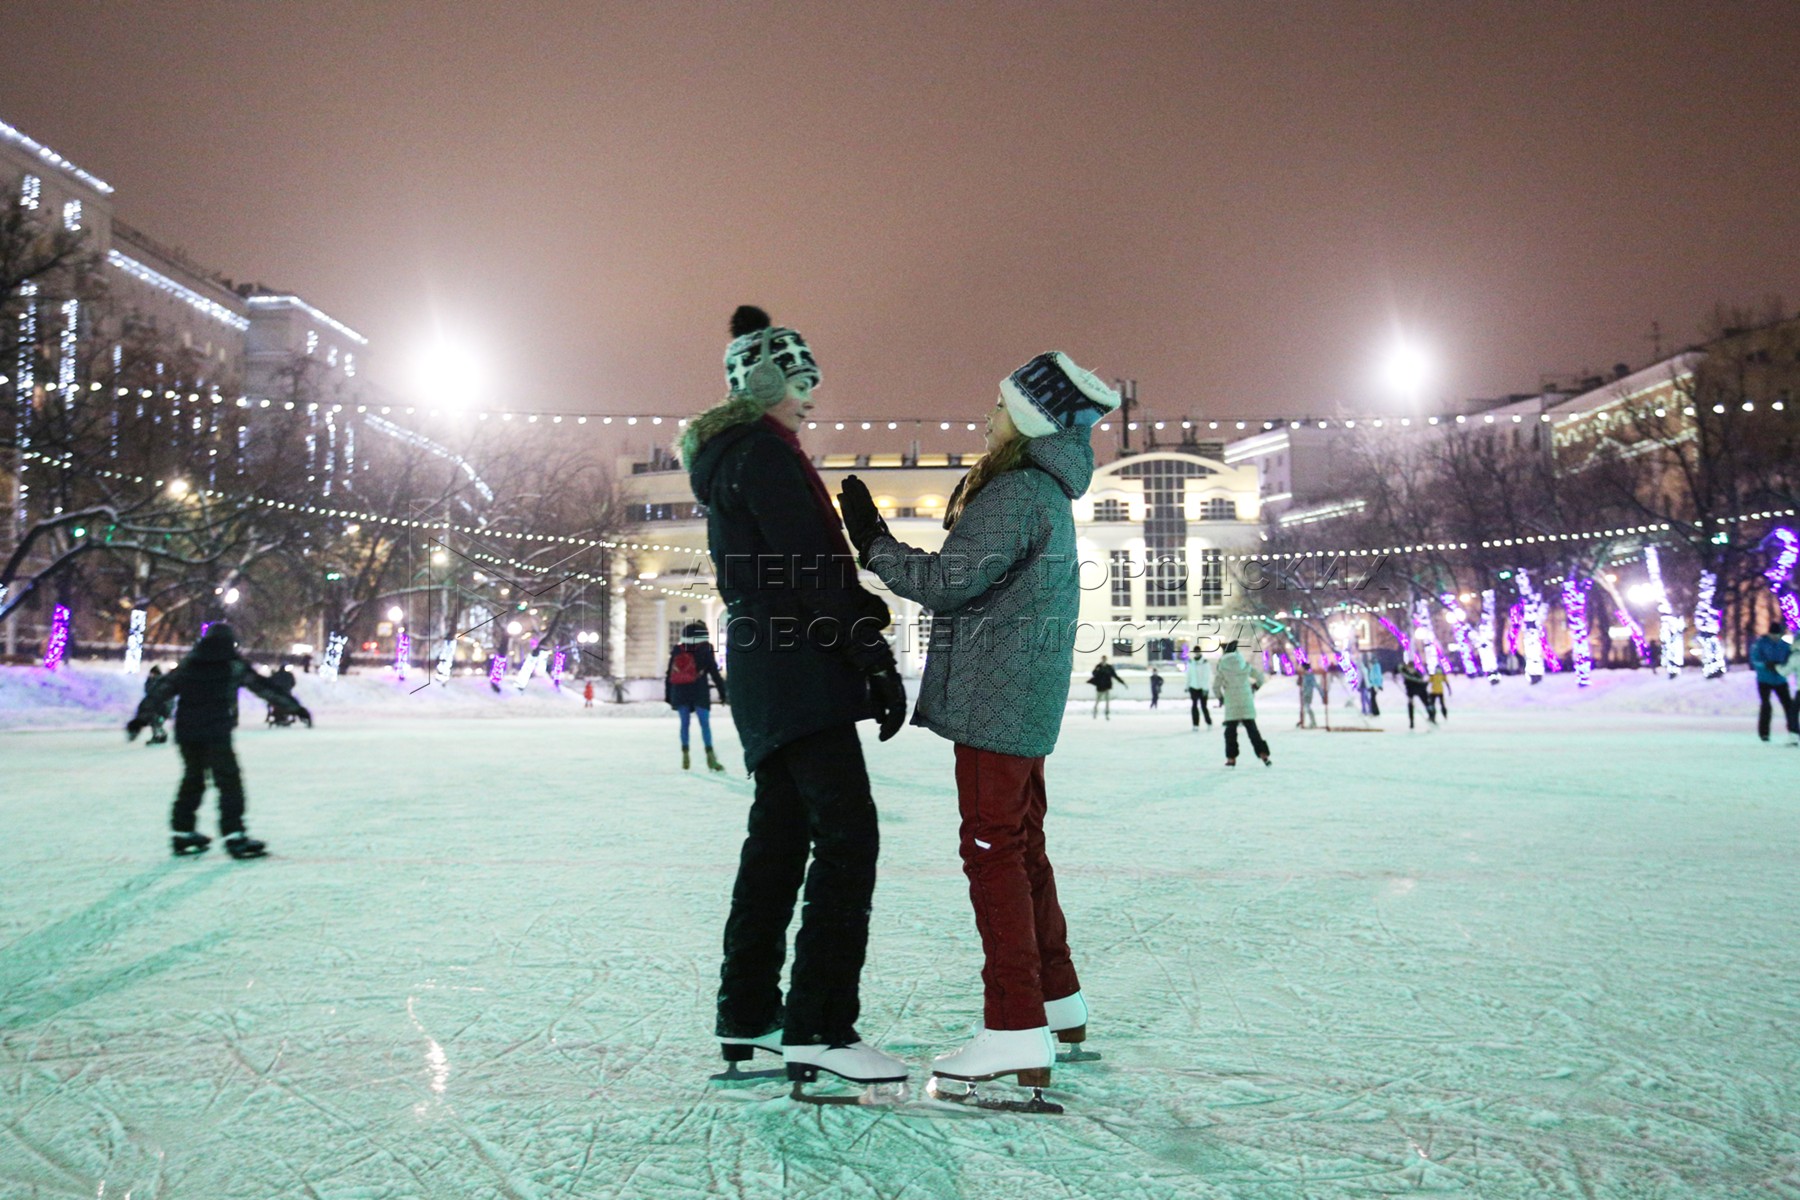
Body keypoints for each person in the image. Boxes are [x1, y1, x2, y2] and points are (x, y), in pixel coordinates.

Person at [839, 348, 1117, 1100]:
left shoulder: (1019, 490)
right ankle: (1058, 1003)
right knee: (1022, 851)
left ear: (1026, 420)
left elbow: (946, 584)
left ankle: (1015, 1028)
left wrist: (871, 542)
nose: (986, 418)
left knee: (992, 853)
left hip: (998, 703)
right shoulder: (1046, 492)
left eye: (999, 408)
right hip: (1021, 699)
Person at [682, 305, 909, 1093]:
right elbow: (810, 567)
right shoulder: (766, 457)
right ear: (766, 385)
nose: (811, 399)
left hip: (767, 659)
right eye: (800, 384)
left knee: (778, 837)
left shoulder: (737, 457)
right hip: (794, 661)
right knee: (850, 835)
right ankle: (818, 1024)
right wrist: (869, 651)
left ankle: (747, 1009)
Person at [127, 622, 311, 859]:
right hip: (216, 731)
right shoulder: (232, 664)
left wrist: (140, 720)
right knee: (228, 781)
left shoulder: (190, 664)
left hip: (187, 732)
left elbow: (161, 690)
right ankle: (234, 834)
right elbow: (263, 687)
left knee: (193, 779)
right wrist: (296, 708)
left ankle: (182, 832)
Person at [665, 620, 728, 771]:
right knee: (704, 724)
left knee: (684, 724)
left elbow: (669, 674)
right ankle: (710, 757)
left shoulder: (678, 650)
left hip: (680, 691)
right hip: (699, 690)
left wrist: (668, 696)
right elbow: (714, 672)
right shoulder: (706, 649)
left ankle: (685, 754)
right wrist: (722, 692)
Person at [1214, 639, 1270, 766]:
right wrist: (1254, 687)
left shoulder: (1222, 666)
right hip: (1246, 700)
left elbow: (1215, 687)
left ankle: (1231, 758)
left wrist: (1221, 698)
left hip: (1231, 702)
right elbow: (1260, 677)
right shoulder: (1244, 664)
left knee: (1230, 732)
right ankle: (1263, 754)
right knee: (1252, 730)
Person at [1749, 620, 1799, 745]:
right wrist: (1765, 664)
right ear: (1769, 633)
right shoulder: (1760, 643)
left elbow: (1790, 659)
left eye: (1778, 635)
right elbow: (1755, 659)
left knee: (1789, 706)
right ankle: (1764, 733)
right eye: (1774, 635)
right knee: (1766, 705)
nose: (1776, 637)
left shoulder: (1784, 645)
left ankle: (1793, 732)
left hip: (1780, 679)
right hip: (1764, 680)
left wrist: (1783, 666)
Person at [130, 665, 173, 745]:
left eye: (152, 673)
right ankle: (161, 736)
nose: (150, 675)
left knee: (156, 722)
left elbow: (159, 695)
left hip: (162, 708)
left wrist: (164, 708)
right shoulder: (153, 682)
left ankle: (159, 736)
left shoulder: (161, 682)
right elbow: (148, 692)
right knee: (155, 722)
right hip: (158, 708)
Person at [1397, 658, 1434, 729]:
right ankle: (1412, 722)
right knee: (1412, 705)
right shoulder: (1408, 672)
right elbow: (1398, 669)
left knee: (1425, 703)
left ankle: (1431, 717)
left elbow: (1421, 681)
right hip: (1412, 691)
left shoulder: (1415, 673)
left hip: (1419, 690)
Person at [1184, 649, 1214, 729]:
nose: (1197, 653)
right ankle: (1195, 724)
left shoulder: (1205, 662)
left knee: (1204, 706)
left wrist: (1205, 688)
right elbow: (1188, 675)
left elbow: (1207, 676)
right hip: (1193, 687)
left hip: (1203, 688)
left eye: (1198, 652)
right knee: (1194, 706)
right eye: (1195, 652)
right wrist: (1187, 686)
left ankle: (1209, 722)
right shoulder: (1191, 662)